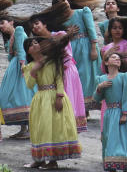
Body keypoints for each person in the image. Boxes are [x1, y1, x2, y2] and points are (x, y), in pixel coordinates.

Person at [24, 34, 82, 169]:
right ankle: (39, 159)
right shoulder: (29, 66)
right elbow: (29, 84)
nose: (35, 45)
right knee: (40, 128)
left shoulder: (53, 62)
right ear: (28, 51)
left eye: (36, 42)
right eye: (31, 45)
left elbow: (59, 80)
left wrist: (59, 97)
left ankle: (53, 161)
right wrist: (35, 68)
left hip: (55, 96)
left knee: (54, 127)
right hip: (40, 98)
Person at [30, 3, 87, 131]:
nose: (34, 27)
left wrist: (67, 35)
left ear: (44, 24)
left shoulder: (59, 34)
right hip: (53, 74)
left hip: (67, 71)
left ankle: (70, 127)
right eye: (32, 27)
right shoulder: (40, 44)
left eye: (37, 23)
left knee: (69, 98)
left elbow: (62, 50)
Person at [94, 51, 127, 171]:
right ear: (106, 62)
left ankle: (125, 167)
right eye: (113, 57)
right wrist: (99, 88)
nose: (117, 59)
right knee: (111, 140)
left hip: (122, 112)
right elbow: (96, 99)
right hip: (109, 114)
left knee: (124, 140)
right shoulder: (100, 79)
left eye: (119, 58)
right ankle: (111, 166)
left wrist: (125, 113)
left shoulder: (125, 76)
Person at [54, 0, 102, 113]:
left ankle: (88, 106)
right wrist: (68, 34)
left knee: (87, 76)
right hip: (72, 49)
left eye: (64, 0)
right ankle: (82, 108)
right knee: (77, 77)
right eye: (60, 3)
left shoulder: (82, 12)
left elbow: (91, 29)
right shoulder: (60, 20)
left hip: (86, 46)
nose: (64, 3)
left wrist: (93, 48)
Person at [0, 16, 34, 139]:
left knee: (23, 93)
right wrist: (12, 50)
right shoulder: (9, 39)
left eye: (3, 23)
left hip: (20, 65)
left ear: (11, 22)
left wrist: (23, 64)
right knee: (16, 93)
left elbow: (23, 50)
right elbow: (9, 57)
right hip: (15, 65)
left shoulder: (18, 30)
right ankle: (23, 128)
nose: (1, 27)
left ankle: (29, 128)